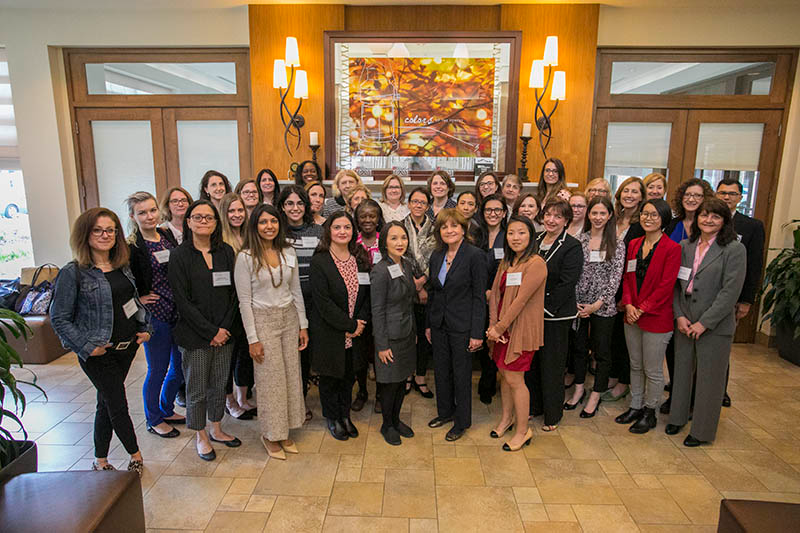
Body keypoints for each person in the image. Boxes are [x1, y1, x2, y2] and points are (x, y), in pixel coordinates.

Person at [50, 207, 150, 476]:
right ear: (86, 234)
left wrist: (144, 327)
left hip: (127, 348)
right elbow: (59, 318)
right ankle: (136, 455)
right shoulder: (74, 273)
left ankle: (100, 460)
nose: (105, 235)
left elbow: (132, 301)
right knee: (117, 403)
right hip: (98, 352)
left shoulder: (122, 266)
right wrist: (85, 347)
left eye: (110, 230)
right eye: (98, 230)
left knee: (104, 402)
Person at [666, 198, 746, 446]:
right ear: (697, 218)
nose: (708, 220)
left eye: (715, 217)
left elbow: (730, 292)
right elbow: (676, 286)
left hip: (714, 325)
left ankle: (701, 430)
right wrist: (679, 315)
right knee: (681, 372)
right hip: (685, 318)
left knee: (709, 380)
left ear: (724, 221)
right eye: (704, 215)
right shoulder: (685, 246)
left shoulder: (734, 249)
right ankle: (677, 417)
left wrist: (704, 323)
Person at [168, 200, 241, 461]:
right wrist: (211, 331)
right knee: (197, 387)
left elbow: (235, 294)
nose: (203, 222)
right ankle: (200, 435)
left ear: (216, 223)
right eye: (197, 217)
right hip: (195, 335)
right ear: (188, 222)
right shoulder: (179, 256)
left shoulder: (226, 253)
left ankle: (217, 428)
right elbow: (182, 301)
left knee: (219, 383)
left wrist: (224, 328)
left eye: (209, 218)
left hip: (225, 333)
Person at [235, 204, 308, 459]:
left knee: (290, 376)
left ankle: (284, 430)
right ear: (255, 225)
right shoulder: (245, 257)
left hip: (288, 318)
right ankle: (269, 434)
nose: (269, 226)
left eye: (273, 221)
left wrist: (303, 324)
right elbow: (244, 301)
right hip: (262, 320)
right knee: (269, 380)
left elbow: (296, 290)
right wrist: (252, 339)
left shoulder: (288, 251)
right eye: (263, 222)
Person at [615, 199, 680, 434]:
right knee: (635, 364)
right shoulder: (633, 244)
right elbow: (627, 277)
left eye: (654, 215)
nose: (648, 218)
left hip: (656, 317)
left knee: (652, 369)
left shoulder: (672, 249)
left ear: (664, 219)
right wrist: (629, 304)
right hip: (632, 315)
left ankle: (650, 411)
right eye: (644, 214)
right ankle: (635, 405)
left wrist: (641, 308)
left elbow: (666, 286)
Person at [125, 192, 185, 439]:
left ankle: (167, 407)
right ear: (133, 216)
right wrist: (138, 298)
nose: (149, 216)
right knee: (157, 369)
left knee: (180, 368)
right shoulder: (132, 246)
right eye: (142, 212)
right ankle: (153, 418)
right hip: (154, 316)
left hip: (177, 311)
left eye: (152, 210)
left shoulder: (167, 235)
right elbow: (123, 279)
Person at [426, 209, 488, 441]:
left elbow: (479, 297)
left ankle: (461, 421)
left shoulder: (475, 256)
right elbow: (433, 292)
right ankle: (445, 413)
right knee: (441, 371)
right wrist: (429, 325)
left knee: (461, 375)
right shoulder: (436, 256)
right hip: (439, 324)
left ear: (463, 229)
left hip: (463, 326)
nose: (449, 230)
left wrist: (476, 333)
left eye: (454, 226)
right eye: (444, 227)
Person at [487, 216, 547, 452]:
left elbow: (520, 301)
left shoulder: (536, 263)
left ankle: (523, 431)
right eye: (511, 233)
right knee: (505, 376)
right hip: (500, 329)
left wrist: (500, 328)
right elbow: (494, 294)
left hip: (520, 331)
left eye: (521, 233)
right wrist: (493, 325)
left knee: (515, 380)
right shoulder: (507, 261)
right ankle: (506, 419)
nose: (515, 238)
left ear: (531, 236)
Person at [310, 212, 371, 441]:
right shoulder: (320, 261)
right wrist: (349, 325)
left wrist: (360, 323)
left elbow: (367, 294)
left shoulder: (360, 257)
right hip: (330, 332)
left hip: (356, 332)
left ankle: (345, 416)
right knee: (330, 378)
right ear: (329, 231)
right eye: (337, 227)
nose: (342, 231)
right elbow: (322, 302)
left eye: (347, 227)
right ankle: (332, 418)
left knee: (348, 376)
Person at [564, 196, 625, 418]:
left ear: (610, 216)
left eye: (602, 213)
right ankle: (579, 388)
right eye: (594, 213)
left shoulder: (617, 243)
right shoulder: (580, 240)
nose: (598, 217)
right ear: (588, 215)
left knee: (602, 352)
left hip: (604, 307)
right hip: (578, 305)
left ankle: (596, 393)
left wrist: (597, 304)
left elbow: (615, 279)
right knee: (578, 349)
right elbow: (572, 273)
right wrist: (576, 302)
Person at [529, 199, 583, 431]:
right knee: (533, 364)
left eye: (558, 216)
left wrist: (544, 307)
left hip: (555, 315)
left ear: (566, 221)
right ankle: (535, 407)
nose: (551, 220)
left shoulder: (572, 246)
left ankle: (553, 415)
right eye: (548, 215)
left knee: (552, 365)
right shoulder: (536, 240)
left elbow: (567, 283)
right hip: (531, 314)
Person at [661, 178, 713, 413]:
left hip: (701, 299)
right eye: (687, 195)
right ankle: (676, 396)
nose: (692, 200)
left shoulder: (711, 228)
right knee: (674, 351)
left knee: (700, 357)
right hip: (672, 295)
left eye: (697, 196)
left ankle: (695, 401)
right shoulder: (673, 225)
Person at [716, 178, 765, 407]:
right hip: (703, 294)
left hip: (732, 297)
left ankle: (720, 389)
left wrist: (747, 300)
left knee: (722, 346)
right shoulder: (706, 221)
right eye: (722, 193)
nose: (726, 197)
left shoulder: (751, 226)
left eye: (732, 194)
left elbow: (755, 265)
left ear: (740, 197)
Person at [371, 221, 418, 445]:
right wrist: (382, 345)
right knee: (389, 384)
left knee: (401, 381)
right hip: (389, 338)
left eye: (403, 237)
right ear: (384, 242)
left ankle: (396, 420)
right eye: (394, 238)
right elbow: (377, 310)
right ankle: (387, 425)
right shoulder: (380, 271)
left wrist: (414, 331)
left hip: (407, 334)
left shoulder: (406, 265)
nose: (400, 243)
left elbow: (409, 302)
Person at [279, 185, 323, 420]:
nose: (295, 208)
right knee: (291, 351)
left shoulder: (318, 231)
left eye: (299, 203)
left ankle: (302, 399)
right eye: (289, 204)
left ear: (306, 206)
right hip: (286, 298)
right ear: (282, 207)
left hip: (314, 297)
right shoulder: (276, 232)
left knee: (307, 352)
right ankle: (290, 400)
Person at [603, 176, 646, 403]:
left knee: (625, 339)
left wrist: (627, 296)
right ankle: (612, 375)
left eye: (635, 192)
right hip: (609, 283)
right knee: (611, 337)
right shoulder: (613, 219)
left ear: (641, 197)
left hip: (628, 288)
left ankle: (623, 382)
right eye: (626, 190)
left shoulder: (641, 225)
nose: (629, 195)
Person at [218, 192, 255, 420]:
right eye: (231, 211)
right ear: (224, 213)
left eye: (240, 210)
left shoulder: (249, 236)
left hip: (249, 304)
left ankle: (242, 397)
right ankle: (229, 400)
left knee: (245, 353)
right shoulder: (220, 241)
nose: (237, 214)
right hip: (228, 306)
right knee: (228, 357)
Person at [403, 187, 436, 398]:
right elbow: (397, 254)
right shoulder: (399, 226)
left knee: (425, 334)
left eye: (422, 202)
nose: (418, 205)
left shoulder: (435, 228)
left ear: (428, 206)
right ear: (409, 204)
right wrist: (412, 282)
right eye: (414, 201)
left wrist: (423, 282)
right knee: (407, 334)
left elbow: (438, 255)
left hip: (428, 288)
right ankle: (407, 375)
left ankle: (421, 376)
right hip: (405, 287)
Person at [476, 194, 507, 404]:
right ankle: (484, 379)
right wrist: (482, 291)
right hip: (477, 297)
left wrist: (493, 291)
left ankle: (489, 381)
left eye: (497, 210)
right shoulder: (474, 234)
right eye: (489, 210)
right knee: (480, 337)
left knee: (495, 339)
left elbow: (510, 269)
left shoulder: (509, 236)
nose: (493, 214)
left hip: (501, 298)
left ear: (504, 213)